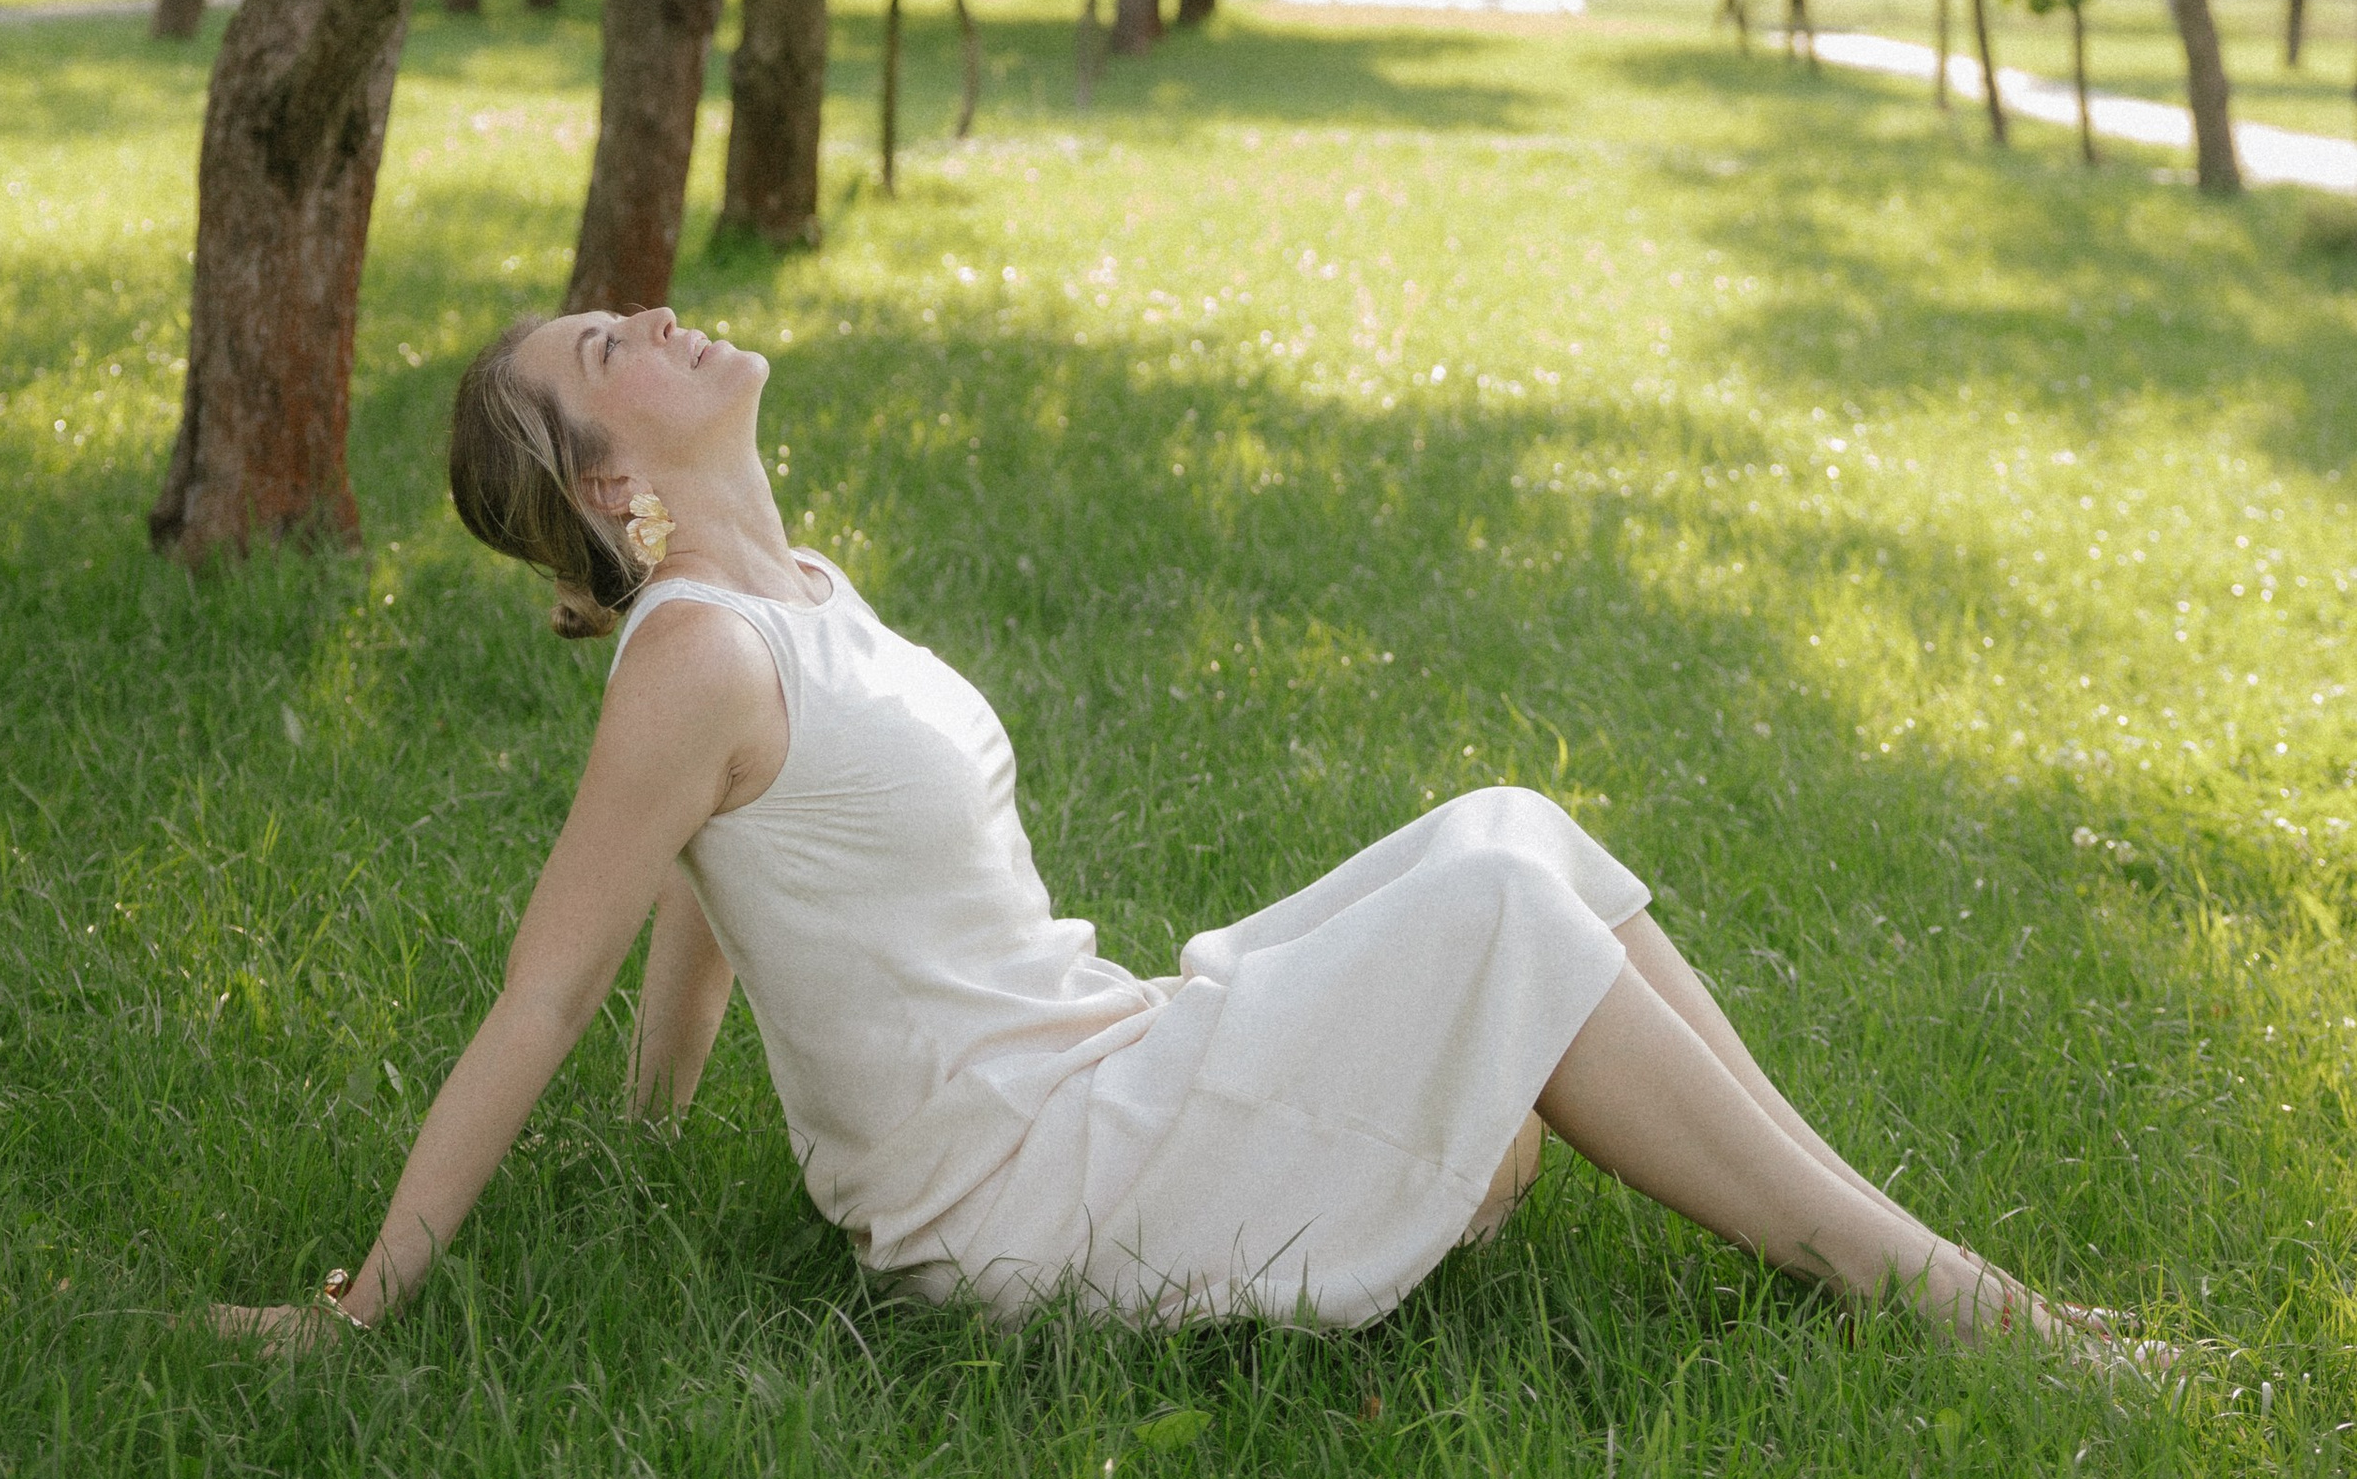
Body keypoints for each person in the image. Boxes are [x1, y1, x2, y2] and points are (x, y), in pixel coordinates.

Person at [217, 306, 2161, 1364]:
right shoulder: (691, 659)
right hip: (1018, 1198)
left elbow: (718, 899)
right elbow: (538, 991)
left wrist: (655, 1145)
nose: (652, 315)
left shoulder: (798, 589)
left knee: (1512, 827)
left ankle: (1891, 1255)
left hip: (1101, 1058)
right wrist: (364, 1300)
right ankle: (1962, 1313)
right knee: (1489, 899)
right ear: (608, 479)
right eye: (602, 350)